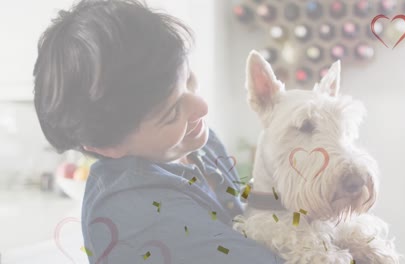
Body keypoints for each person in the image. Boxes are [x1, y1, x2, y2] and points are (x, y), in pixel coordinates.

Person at [33, 0, 284, 263]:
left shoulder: (196, 144)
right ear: (107, 147)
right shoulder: (138, 218)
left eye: (189, 79)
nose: (202, 107)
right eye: (172, 113)